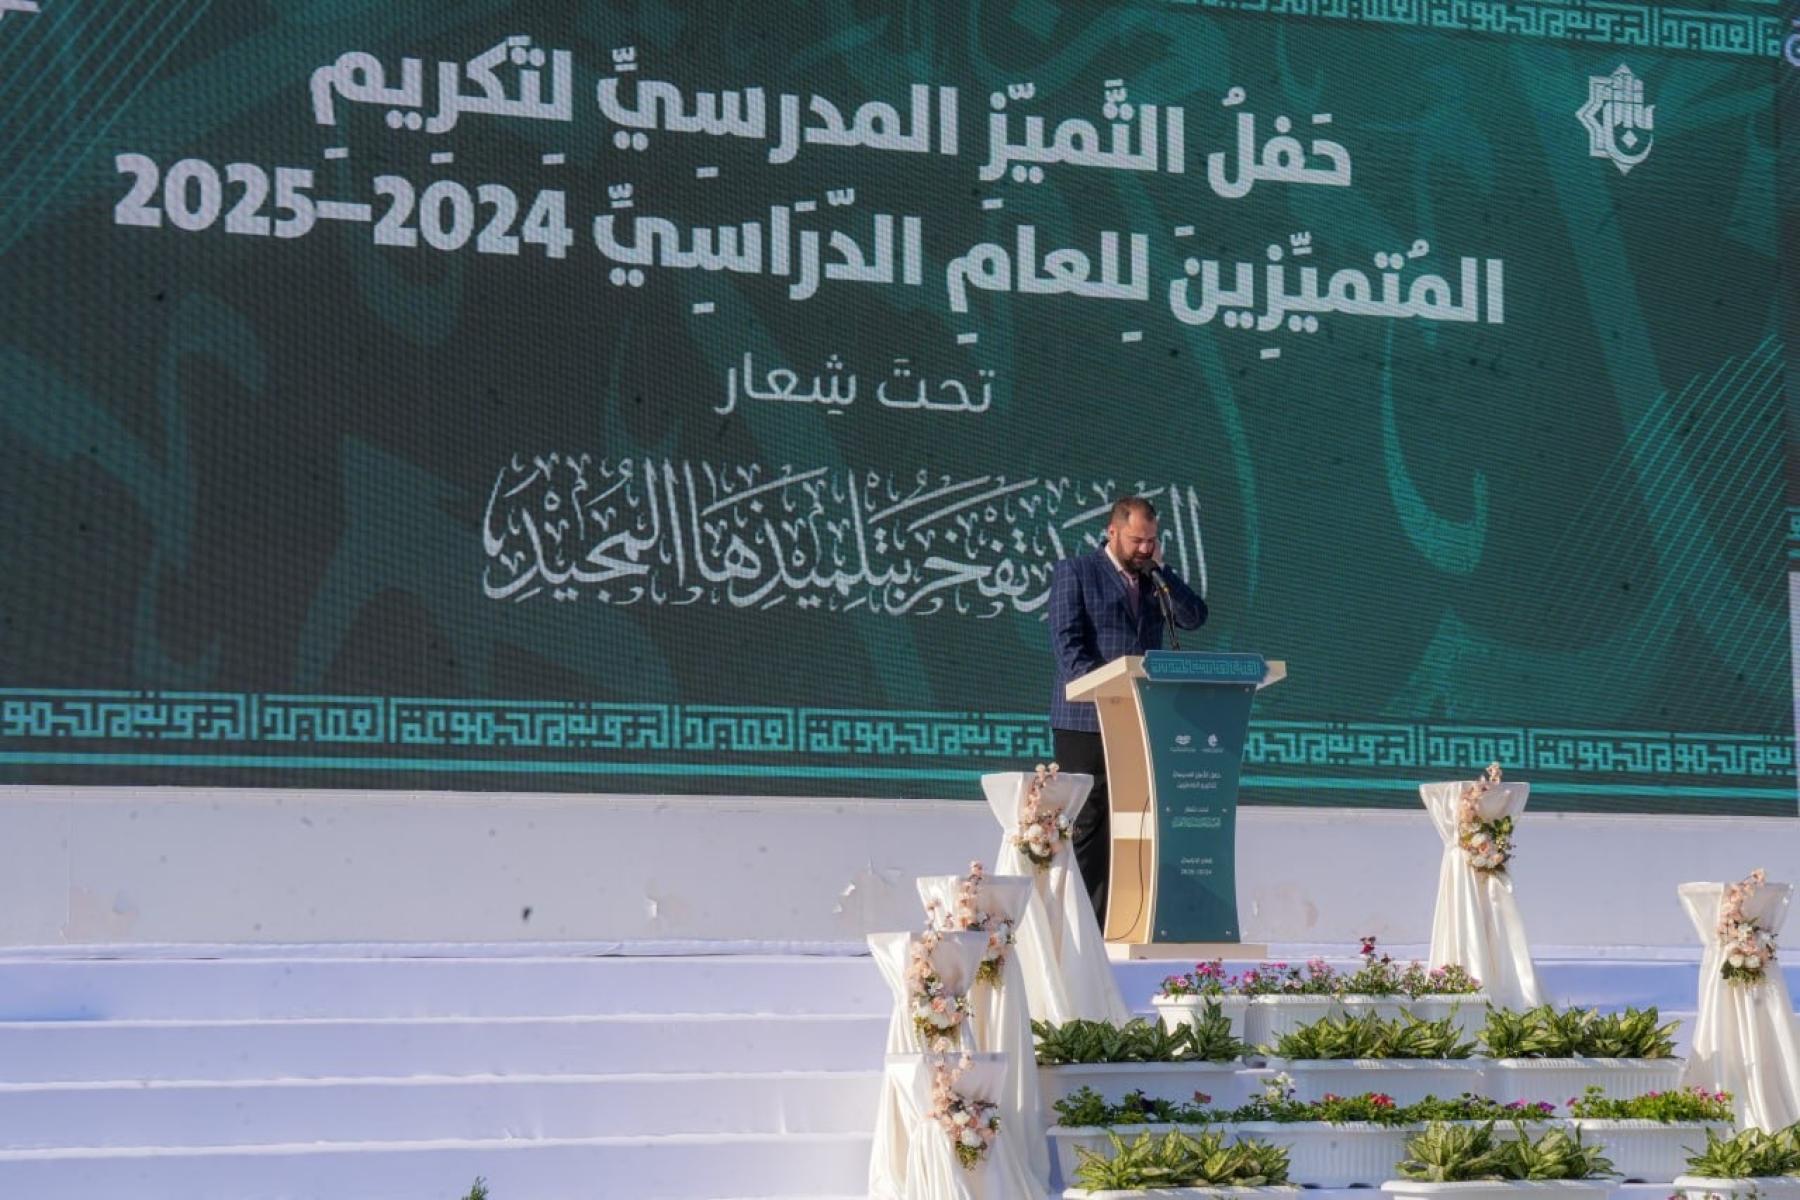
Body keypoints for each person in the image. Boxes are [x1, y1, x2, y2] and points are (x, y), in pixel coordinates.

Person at [1047, 495, 1208, 927]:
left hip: (1139, 719)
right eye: (1137, 540)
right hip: (1084, 722)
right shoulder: (1076, 572)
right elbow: (1067, 646)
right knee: (1087, 823)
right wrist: (1106, 691)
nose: (1144, 548)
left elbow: (1195, 618)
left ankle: (1123, 924)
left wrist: (1163, 570)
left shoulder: (1155, 579)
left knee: (1133, 824)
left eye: (1151, 540)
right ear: (1112, 532)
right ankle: (1080, 928)